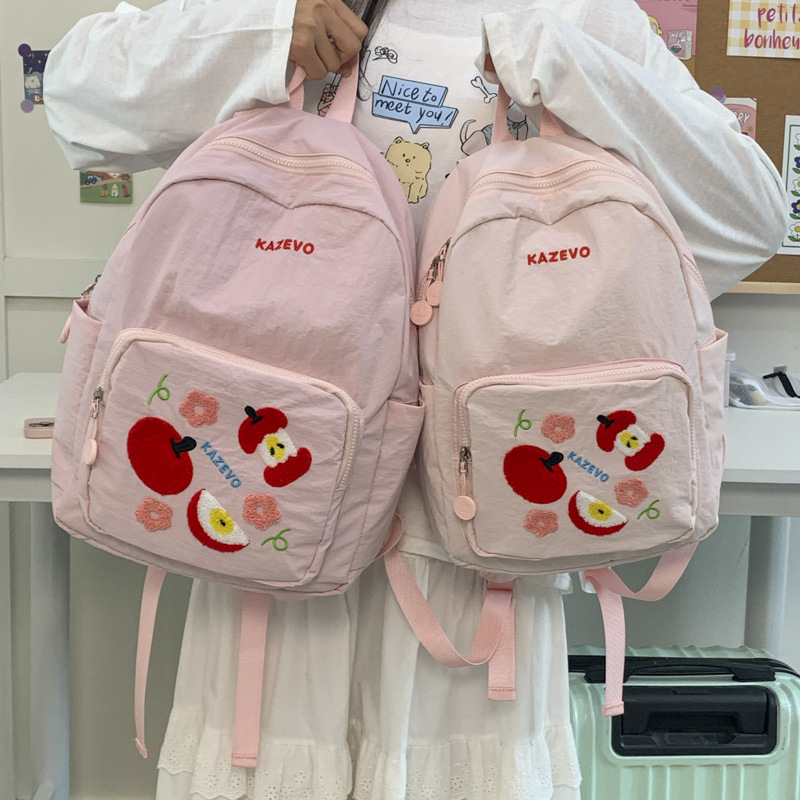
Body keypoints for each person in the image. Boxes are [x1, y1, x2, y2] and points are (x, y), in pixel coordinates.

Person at [44, 2, 787, 799]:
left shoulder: (571, 16)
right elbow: (80, 94)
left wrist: (571, 65)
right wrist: (265, 32)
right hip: (276, 520)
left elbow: (749, 215)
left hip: (475, 543)